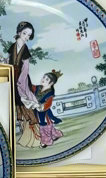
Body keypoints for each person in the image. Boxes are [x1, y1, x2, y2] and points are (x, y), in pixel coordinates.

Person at [8, 21, 42, 149]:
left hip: (22, 80)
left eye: (29, 35)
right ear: (19, 32)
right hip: (13, 77)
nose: (27, 37)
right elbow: (8, 60)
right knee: (19, 107)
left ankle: (36, 139)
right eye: (25, 33)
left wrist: (20, 82)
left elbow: (26, 68)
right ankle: (25, 137)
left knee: (26, 105)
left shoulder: (25, 49)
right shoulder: (13, 46)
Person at [33, 70, 64, 147]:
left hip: (44, 112)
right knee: (42, 126)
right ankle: (55, 135)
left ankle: (46, 142)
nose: (43, 79)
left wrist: (41, 107)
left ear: (51, 83)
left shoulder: (50, 93)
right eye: (43, 77)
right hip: (36, 110)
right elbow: (30, 87)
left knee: (44, 126)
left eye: (46, 79)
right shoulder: (38, 87)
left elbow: (48, 104)